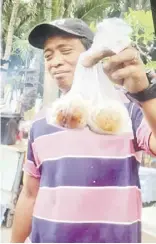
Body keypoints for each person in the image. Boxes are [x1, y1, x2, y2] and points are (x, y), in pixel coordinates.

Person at [11, 18, 156, 243]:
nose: (55, 62)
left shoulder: (125, 111)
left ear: (94, 53)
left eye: (65, 50)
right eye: (48, 56)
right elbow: (30, 193)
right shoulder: (43, 120)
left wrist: (145, 94)